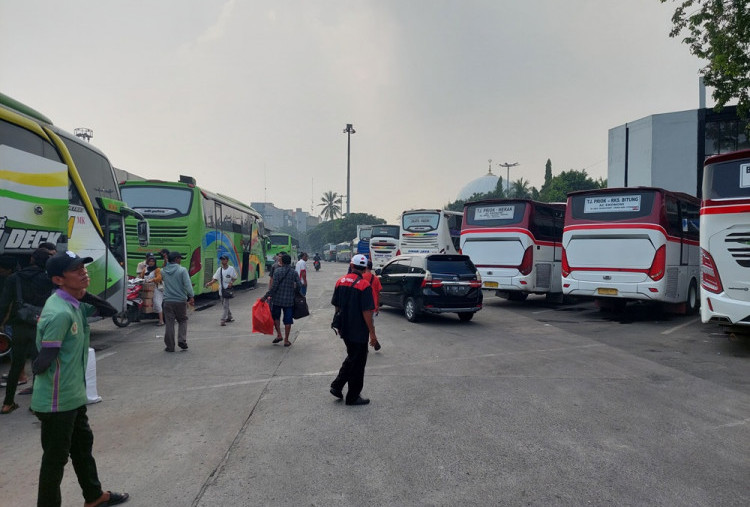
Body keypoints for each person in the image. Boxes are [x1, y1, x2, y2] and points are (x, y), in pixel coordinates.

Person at [31, 250, 128, 507]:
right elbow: (42, 361)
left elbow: (109, 309)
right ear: (58, 279)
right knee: (55, 461)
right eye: (75, 270)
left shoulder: (74, 304)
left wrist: (83, 292)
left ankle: (94, 496)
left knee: (82, 449)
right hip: (57, 401)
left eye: (83, 268)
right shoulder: (60, 312)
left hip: (73, 396)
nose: (83, 272)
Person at [0, 248, 54, 414]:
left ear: (31, 259)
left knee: (16, 364)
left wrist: (1, 323)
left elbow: (4, 304)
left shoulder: (14, 278)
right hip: (40, 324)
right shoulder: (48, 279)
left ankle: (8, 403)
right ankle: (36, 404)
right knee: (39, 364)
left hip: (19, 325)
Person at [329, 254, 379, 406]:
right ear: (364, 269)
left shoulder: (340, 281)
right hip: (358, 330)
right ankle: (352, 397)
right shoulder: (364, 285)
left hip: (344, 327)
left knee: (352, 357)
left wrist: (338, 322)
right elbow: (367, 312)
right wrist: (372, 333)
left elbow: (336, 305)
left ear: (351, 265)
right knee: (358, 363)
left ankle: (337, 386)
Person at [261, 253, 300, 347]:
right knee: (288, 320)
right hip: (289, 301)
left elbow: (273, 287)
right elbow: (299, 285)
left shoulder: (277, 271)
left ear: (282, 261)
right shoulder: (294, 272)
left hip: (277, 300)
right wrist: (294, 290)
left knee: (276, 317)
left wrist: (266, 296)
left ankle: (279, 334)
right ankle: (286, 340)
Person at [161, 251, 195, 352]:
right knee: (182, 320)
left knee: (169, 323)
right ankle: (182, 340)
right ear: (176, 259)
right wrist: (191, 296)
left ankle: (170, 346)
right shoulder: (182, 270)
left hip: (167, 301)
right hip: (180, 300)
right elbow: (187, 284)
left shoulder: (163, 271)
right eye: (180, 258)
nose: (180, 260)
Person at [205, 254, 237, 326]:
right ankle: (229, 316)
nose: (222, 261)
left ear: (227, 260)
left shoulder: (231, 269)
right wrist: (209, 284)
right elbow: (215, 279)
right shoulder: (219, 270)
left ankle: (223, 320)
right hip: (221, 291)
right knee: (224, 304)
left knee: (225, 305)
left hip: (227, 290)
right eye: (221, 259)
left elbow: (235, 277)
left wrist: (231, 282)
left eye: (224, 259)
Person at [143, 254, 164, 326]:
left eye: (153, 261)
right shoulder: (145, 269)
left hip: (156, 289)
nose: (151, 262)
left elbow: (159, 278)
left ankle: (161, 320)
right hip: (147, 289)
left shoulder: (157, 270)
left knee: (157, 303)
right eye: (150, 261)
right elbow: (141, 277)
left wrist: (152, 280)